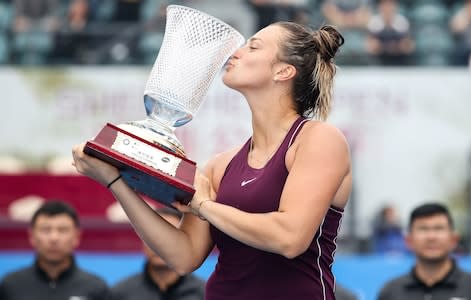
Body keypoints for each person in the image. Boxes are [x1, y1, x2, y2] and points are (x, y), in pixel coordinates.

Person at [72, 20, 351, 300]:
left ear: (283, 71)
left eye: (253, 46)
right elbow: (184, 256)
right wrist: (115, 180)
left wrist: (204, 206)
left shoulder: (319, 140)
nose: (236, 52)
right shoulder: (221, 164)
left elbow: (290, 238)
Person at [0, 200, 111, 300]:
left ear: (77, 237)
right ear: (32, 236)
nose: (54, 238)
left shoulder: (96, 288)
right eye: (45, 230)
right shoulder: (10, 286)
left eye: (62, 230)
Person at [377, 202, 471, 300]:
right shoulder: (390, 293)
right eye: (423, 229)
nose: (431, 237)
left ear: (454, 239)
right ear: (408, 241)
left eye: (439, 228)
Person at [111, 206, 205, 300]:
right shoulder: (121, 293)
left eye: (170, 236)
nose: (160, 245)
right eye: (152, 236)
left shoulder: (205, 294)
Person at [365, 0, 414, 65]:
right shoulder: (374, 22)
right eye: (385, 5)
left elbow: (407, 47)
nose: (388, 8)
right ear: (380, 7)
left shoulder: (402, 21)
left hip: (399, 60)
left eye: (390, 5)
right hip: (379, 61)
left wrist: (390, 47)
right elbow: (371, 47)